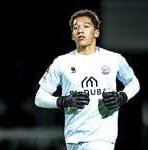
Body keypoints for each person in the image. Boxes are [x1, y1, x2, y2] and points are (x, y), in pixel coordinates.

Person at [35, 9, 140, 150]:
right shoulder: (61, 62)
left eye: (86, 26)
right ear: (72, 36)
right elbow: (39, 98)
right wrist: (64, 100)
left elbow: (134, 83)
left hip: (102, 138)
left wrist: (122, 97)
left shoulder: (114, 59)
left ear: (96, 32)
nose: (80, 30)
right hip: (73, 138)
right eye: (76, 28)